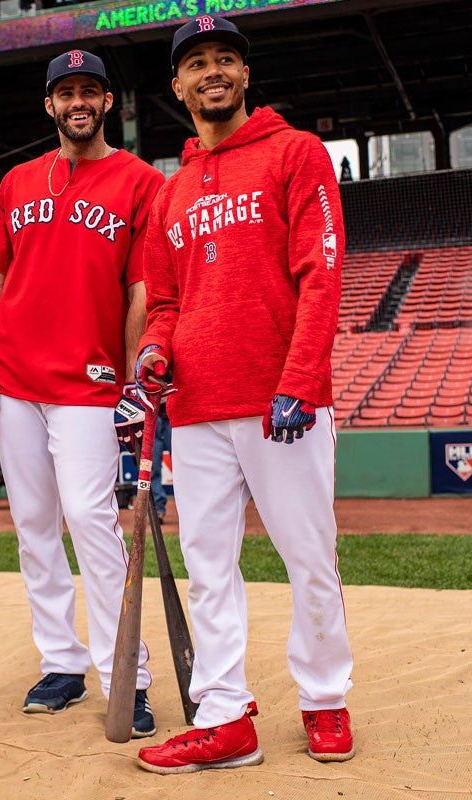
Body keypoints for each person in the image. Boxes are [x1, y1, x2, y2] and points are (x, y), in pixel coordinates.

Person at [133, 17, 353, 774]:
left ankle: (325, 697)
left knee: (308, 555)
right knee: (208, 565)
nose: (213, 71)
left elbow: (322, 275)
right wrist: (155, 350)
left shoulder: (296, 153)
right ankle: (225, 715)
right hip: (195, 406)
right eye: (197, 63)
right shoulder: (172, 190)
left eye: (227, 58)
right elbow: (163, 301)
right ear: (178, 86)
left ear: (246, 75)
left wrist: (299, 381)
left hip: (279, 402)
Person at [0, 50, 165, 738]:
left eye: (90, 91)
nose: (78, 102)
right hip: (16, 382)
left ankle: (126, 675)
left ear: (108, 102)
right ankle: (62, 661)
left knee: (90, 518)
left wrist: (137, 372)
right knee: (34, 527)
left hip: (89, 382)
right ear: (48, 106)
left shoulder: (139, 181)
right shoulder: (19, 182)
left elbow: (141, 288)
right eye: (65, 92)